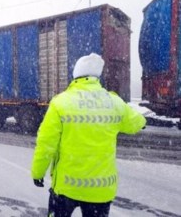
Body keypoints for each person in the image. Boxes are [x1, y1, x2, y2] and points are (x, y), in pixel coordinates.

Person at [31, 53, 146, 217]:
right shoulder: (113, 102)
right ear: (97, 75)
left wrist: (38, 173)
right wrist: (143, 122)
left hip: (66, 187)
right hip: (101, 189)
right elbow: (137, 122)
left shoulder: (61, 102)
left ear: (76, 75)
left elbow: (46, 144)